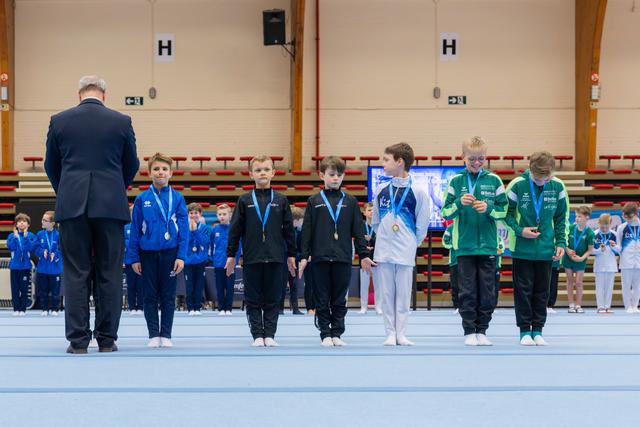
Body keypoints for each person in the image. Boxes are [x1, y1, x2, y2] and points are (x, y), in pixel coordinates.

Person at [44, 75, 139, 354]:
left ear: (79, 94)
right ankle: (107, 340)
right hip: (110, 205)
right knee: (109, 272)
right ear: (104, 95)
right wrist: (112, 187)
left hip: (71, 204)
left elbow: (51, 164)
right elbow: (131, 164)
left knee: (75, 272)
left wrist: (68, 189)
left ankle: (78, 341)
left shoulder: (59, 120)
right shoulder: (122, 121)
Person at [299, 156, 374, 346]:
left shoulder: (350, 201)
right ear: (322, 175)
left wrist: (363, 255)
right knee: (322, 297)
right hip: (320, 257)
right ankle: (325, 333)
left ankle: (337, 333)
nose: (335, 179)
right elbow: (307, 231)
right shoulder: (314, 201)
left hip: (343, 257)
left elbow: (358, 231)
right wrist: (304, 256)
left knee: (340, 298)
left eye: (339, 175)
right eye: (331, 175)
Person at [441, 136, 507, 346]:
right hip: (465, 247)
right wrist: (459, 204)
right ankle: (469, 330)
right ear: (463, 157)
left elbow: (504, 210)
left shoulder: (494, 181)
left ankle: (483, 330)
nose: (476, 163)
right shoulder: (456, 181)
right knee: (467, 291)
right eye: (472, 159)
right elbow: (445, 211)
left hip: (488, 245)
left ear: (486, 157)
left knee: (487, 292)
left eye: (480, 158)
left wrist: (490, 210)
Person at [226, 155, 297, 347]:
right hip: (252, 257)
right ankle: (257, 334)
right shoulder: (244, 200)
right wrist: (231, 255)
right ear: (251, 174)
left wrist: (291, 254)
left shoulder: (281, 200)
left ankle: (270, 334)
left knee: (274, 298)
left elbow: (289, 230)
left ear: (273, 172)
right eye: (258, 170)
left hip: (276, 257)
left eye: (266, 169)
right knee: (253, 298)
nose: (262, 173)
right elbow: (235, 230)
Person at [505, 151, 568, 346]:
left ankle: (538, 330)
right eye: (538, 176)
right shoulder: (518, 185)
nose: (542, 180)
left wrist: (561, 243)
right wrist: (519, 230)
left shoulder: (558, 186)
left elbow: (561, 218)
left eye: (546, 177)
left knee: (542, 292)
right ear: (531, 170)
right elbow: (504, 214)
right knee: (523, 291)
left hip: (546, 249)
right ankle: (524, 331)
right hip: (522, 248)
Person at [128, 153, 189, 348]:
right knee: (150, 295)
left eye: (164, 169)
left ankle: (167, 334)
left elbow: (184, 230)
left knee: (168, 295)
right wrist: (134, 257)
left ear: (170, 173)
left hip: (170, 253)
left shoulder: (178, 198)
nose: (160, 172)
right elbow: (135, 230)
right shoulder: (141, 199)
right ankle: (153, 334)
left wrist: (181, 255)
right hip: (147, 253)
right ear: (149, 173)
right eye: (156, 169)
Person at [372, 143, 430, 346]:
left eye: (386, 160)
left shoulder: (418, 192)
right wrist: (382, 239)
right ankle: (390, 332)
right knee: (387, 294)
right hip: (384, 249)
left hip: (405, 251)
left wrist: (411, 244)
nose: (383, 163)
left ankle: (401, 333)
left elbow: (422, 225)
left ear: (400, 162)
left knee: (403, 295)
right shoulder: (380, 190)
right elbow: (376, 221)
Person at [562, 206, 595, 313]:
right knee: (570, 281)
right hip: (568, 258)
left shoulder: (590, 233)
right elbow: (563, 242)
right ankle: (571, 304)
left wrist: (582, 258)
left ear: (587, 218)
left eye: (579, 216)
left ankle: (578, 305)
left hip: (580, 260)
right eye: (576, 216)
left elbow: (590, 250)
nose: (577, 218)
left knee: (579, 282)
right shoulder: (571, 228)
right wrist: (568, 251)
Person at [211, 204, 240, 315]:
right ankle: (221, 308)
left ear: (230, 215)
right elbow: (211, 246)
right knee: (219, 287)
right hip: (218, 263)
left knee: (229, 287)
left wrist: (235, 261)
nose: (222, 216)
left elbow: (238, 247)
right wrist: (212, 259)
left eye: (224, 214)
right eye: (220, 214)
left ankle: (228, 308)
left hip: (230, 263)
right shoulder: (215, 230)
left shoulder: (234, 229)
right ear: (217, 216)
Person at [7, 213, 37, 316]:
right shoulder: (11, 236)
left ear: (28, 224)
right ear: (16, 224)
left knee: (24, 289)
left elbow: (30, 248)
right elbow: (10, 247)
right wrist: (16, 238)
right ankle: (16, 309)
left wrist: (25, 238)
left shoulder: (31, 236)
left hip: (25, 267)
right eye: (19, 221)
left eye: (24, 221)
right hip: (14, 267)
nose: (22, 223)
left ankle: (23, 309)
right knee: (15, 289)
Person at [35, 211, 62, 316]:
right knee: (43, 290)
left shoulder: (58, 235)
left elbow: (62, 249)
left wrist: (55, 254)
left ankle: (55, 309)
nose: (42, 222)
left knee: (55, 291)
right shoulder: (40, 234)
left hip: (55, 268)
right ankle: (44, 308)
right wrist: (42, 252)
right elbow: (36, 248)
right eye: (42, 219)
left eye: (45, 220)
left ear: (52, 223)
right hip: (42, 268)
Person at [184, 203, 210, 316]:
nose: (193, 215)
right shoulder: (184, 227)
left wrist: (195, 231)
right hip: (188, 261)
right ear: (188, 214)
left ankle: (197, 307)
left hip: (200, 260)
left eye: (196, 213)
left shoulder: (205, 228)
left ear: (200, 214)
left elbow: (204, 242)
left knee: (199, 284)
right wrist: (190, 231)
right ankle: (190, 308)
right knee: (189, 285)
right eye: (191, 213)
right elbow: (184, 242)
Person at [616, 202, 640, 313]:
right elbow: (619, 245)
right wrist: (614, 247)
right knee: (626, 285)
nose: (627, 220)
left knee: (637, 285)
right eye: (624, 217)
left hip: (639, 260)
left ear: (636, 214)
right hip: (626, 260)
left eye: (629, 217)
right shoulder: (621, 228)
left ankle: (635, 305)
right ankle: (628, 306)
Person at [593, 213, 619, 313]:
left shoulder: (614, 234)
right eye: (602, 227)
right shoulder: (594, 234)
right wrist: (599, 250)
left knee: (609, 287)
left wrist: (614, 246)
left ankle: (607, 306)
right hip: (599, 265)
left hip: (611, 264)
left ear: (611, 224)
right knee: (599, 287)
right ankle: (600, 307)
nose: (604, 229)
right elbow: (590, 250)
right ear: (598, 223)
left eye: (606, 226)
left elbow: (619, 250)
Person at [281, 206, 305, 315]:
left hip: (294, 261)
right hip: (284, 260)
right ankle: (279, 308)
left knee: (294, 285)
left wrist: (298, 258)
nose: (302, 223)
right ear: (295, 220)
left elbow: (299, 247)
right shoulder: (284, 232)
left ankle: (295, 308)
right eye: (301, 221)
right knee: (281, 285)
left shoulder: (298, 232)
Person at [359, 202, 381, 315]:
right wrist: (364, 245)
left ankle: (379, 307)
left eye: (373, 210)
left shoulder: (379, 225)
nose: (371, 212)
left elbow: (383, 241)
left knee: (378, 284)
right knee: (364, 284)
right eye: (369, 210)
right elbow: (358, 240)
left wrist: (372, 239)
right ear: (364, 213)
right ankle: (364, 307)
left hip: (377, 257)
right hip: (364, 257)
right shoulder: (360, 225)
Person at [124, 206, 143, 315]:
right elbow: (123, 245)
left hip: (141, 261)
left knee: (140, 285)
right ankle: (132, 307)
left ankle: (140, 306)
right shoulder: (126, 227)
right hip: (129, 261)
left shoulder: (143, 227)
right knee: (131, 285)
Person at [442, 221, 459, 313]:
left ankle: (468, 306)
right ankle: (457, 306)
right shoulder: (450, 228)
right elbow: (445, 241)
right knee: (455, 285)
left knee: (468, 285)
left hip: (468, 261)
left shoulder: (467, 226)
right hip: (454, 261)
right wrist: (455, 246)